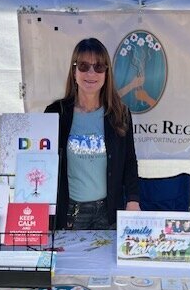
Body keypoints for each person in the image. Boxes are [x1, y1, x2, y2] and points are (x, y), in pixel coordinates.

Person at [45, 37, 140, 230]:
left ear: (106, 73)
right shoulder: (56, 113)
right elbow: (42, 163)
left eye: (98, 67)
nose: (91, 73)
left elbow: (129, 161)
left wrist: (133, 200)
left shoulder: (120, 113)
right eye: (83, 66)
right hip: (70, 213)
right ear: (74, 71)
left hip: (108, 212)